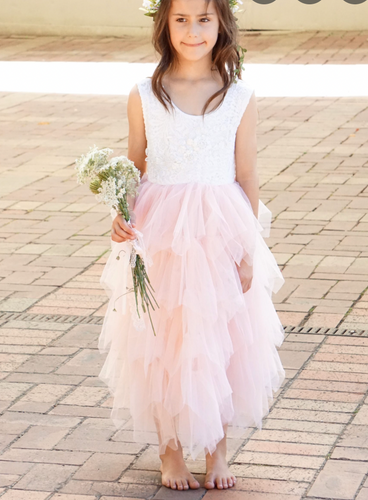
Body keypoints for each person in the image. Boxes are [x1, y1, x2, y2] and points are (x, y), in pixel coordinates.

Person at [98, 0, 285, 492]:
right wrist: (120, 213)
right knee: (162, 340)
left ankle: (218, 450)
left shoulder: (239, 96)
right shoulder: (145, 93)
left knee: (219, 340)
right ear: (163, 24)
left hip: (219, 232)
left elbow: (246, 178)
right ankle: (170, 452)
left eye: (203, 18)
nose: (192, 30)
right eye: (180, 19)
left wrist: (247, 249)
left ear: (221, 23)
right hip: (160, 232)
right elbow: (136, 167)